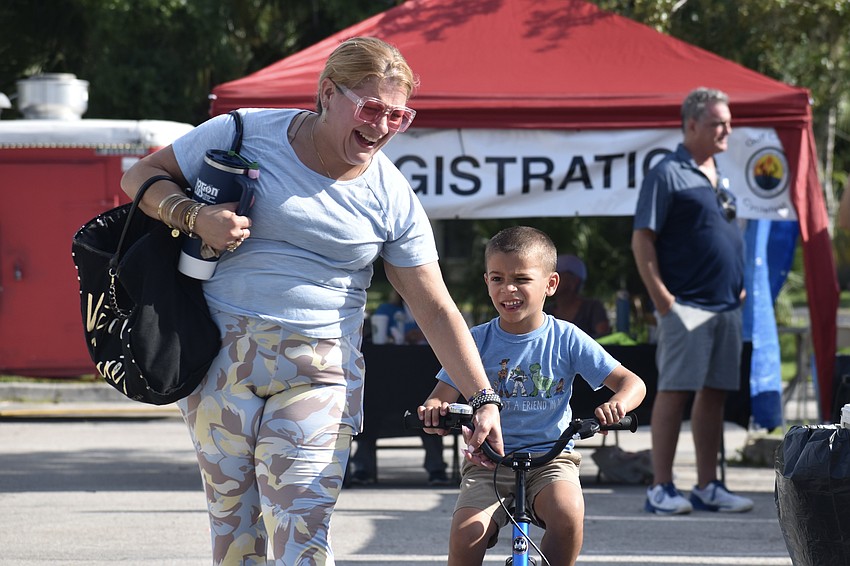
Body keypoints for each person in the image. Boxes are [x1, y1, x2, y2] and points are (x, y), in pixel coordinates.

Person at [119, 36, 503, 566]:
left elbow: (435, 308)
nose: (381, 127)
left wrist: (483, 398)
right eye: (371, 108)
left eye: (398, 116)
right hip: (219, 359)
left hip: (319, 371)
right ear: (327, 93)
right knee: (235, 537)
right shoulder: (245, 131)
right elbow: (138, 176)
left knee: (301, 533)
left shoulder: (391, 196)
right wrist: (192, 215)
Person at [417, 226, 646, 566]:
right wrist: (435, 410)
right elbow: (440, 396)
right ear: (486, 282)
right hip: (488, 463)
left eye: (522, 279)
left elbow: (633, 383)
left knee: (568, 515)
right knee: (466, 534)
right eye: (497, 278)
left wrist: (618, 404)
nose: (508, 289)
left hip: (551, 459)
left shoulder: (566, 338)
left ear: (550, 284)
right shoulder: (473, 341)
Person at [631, 87, 754, 515]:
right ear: (692, 125)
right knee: (675, 391)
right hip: (686, 307)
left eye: (729, 121)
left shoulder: (721, 174)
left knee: (716, 394)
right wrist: (663, 299)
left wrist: (738, 286)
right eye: (719, 122)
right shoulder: (666, 173)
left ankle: (708, 485)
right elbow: (642, 238)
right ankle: (660, 487)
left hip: (725, 307)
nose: (727, 129)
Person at [348, 291, 451, 486]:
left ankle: (436, 468)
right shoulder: (386, 311)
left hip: (421, 377)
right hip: (386, 379)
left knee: (430, 410)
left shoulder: (436, 312)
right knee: (370, 406)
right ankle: (362, 468)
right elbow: (376, 336)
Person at [546, 254, 611, 338]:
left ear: (574, 281)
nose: (551, 280)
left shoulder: (592, 308)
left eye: (559, 275)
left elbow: (604, 339)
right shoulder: (545, 311)